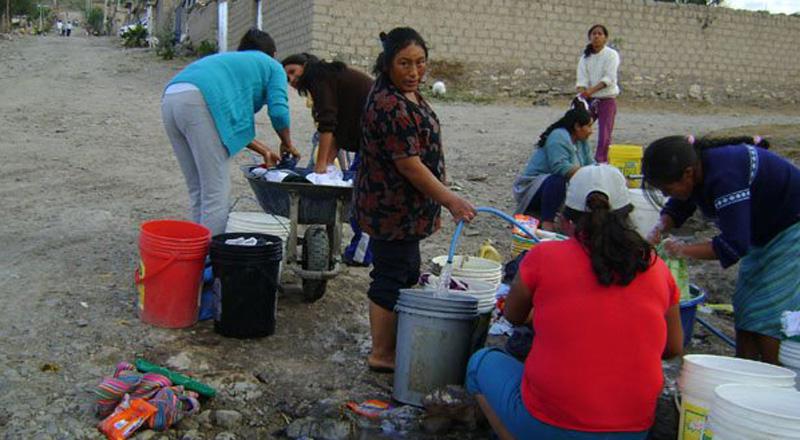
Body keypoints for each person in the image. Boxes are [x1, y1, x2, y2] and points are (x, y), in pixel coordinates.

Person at [468, 165, 683, 440]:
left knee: (480, 362)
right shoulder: (655, 266)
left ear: (567, 219)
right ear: (627, 215)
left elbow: (512, 315)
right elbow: (673, 347)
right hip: (634, 428)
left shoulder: (544, 257)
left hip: (549, 423)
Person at [355, 27, 476, 372]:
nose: (413, 72)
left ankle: (393, 344)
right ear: (388, 64)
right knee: (391, 275)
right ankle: (381, 353)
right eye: (404, 63)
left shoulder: (406, 94)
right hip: (390, 209)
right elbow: (409, 166)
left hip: (406, 209)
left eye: (420, 63)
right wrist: (451, 199)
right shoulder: (389, 104)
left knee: (407, 270)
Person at [642, 135, 800, 364]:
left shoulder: (725, 176)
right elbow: (680, 203)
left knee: (768, 311)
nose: (667, 195)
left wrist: (683, 250)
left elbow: (734, 245)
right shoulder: (697, 167)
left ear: (687, 173)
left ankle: (771, 376)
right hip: (763, 233)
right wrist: (661, 226)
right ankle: (741, 368)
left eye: (667, 188)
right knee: (746, 306)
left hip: (790, 229)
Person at [161, 29, 297, 235]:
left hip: (171, 97)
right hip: (201, 101)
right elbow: (279, 112)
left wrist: (264, 151)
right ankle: (210, 261)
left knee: (198, 187)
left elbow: (223, 125)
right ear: (273, 53)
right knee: (216, 192)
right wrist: (287, 143)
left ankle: (195, 253)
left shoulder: (229, 62)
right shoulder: (273, 67)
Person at [281, 52, 374, 265]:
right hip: (368, 136)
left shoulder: (319, 78)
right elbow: (337, 131)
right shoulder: (329, 77)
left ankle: (362, 255)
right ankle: (357, 252)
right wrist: (322, 166)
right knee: (361, 191)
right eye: (287, 78)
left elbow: (328, 124)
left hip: (377, 136)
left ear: (306, 65)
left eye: (293, 72)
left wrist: (322, 164)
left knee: (364, 196)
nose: (292, 80)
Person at [513, 107, 595, 231]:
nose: (591, 131)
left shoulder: (581, 141)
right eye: (588, 126)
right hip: (534, 188)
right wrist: (590, 173)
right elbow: (561, 168)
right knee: (558, 180)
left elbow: (591, 164)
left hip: (557, 189)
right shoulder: (558, 136)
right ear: (577, 126)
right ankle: (548, 224)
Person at [576, 24, 620, 163]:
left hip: (607, 99)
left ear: (605, 38)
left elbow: (609, 78)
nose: (596, 36)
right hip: (589, 99)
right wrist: (583, 93)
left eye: (600, 34)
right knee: (579, 126)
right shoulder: (585, 57)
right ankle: (578, 156)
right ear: (590, 37)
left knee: (604, 134)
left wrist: (590, 91)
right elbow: (582, 78)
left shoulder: (611, 55)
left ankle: (601, 161)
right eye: (594, 33)